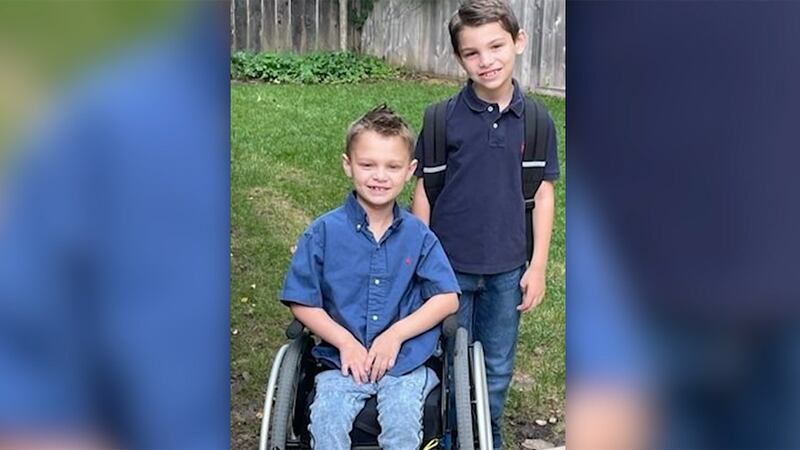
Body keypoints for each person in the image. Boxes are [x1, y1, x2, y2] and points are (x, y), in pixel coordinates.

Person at [411, 1, 560, 447]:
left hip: (507, 270)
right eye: (472, 52)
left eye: (496, 46)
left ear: (519, 42)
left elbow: (543, 194)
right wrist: (421, 262)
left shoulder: (537, 122)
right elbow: (425, 191)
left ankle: (485, 434)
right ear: (459, 58)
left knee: (496, 365)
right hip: (448, 270)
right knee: (448, 359)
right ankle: (450, 437)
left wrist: (538, 266)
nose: (486, 61)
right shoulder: (441, 119)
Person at [280, 105, 460, 450]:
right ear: (348, 164)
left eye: (392, 166)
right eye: (367, 165)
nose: (380, 176)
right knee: (326, 423)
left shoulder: (419, 236)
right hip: (342, 364)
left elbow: (447, 298)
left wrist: (395, 335)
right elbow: (301, 300)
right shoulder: (323, 233)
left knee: (403, 425)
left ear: (410, 171)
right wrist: (345, 342)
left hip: (405, 363)